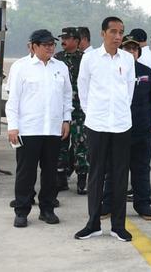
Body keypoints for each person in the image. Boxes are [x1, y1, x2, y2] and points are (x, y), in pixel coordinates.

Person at [74, 17, 135, 242]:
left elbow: (129, 90)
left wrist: (119, 113)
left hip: (121, 125)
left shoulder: (128, 59)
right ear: (103, 33)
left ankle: (119, 226)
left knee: (120, 175)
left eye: (121, 32)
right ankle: (93, 224)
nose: (118, 36)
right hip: (97, 124)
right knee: (96, 174)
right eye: (113, 32)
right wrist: (92, 114)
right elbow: (83, 88)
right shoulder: (90, 58)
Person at [6, 29, 72, 228]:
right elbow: (13, 99)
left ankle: (47, 209)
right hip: (28, 129)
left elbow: (67, 96)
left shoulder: (60, 67)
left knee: (51, 172)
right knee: (26, 173)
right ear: (34, 46)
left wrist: (66, 120)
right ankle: (22, 211)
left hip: (53, 129)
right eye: (46, 45)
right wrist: (13, 127)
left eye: (52, 44)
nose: (50, 48)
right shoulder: (21, 67)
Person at [103, 35, 151, 220]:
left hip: (143, 129)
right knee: (114, 169)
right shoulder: (112, 70)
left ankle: (143, 205)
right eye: (127, 49)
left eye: (134, 49)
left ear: (138, 52)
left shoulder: (147, 72)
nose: (131, 52)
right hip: (118, 129)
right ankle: (108, 204)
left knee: (141, 169)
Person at [54, 27, 88, 194]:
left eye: (67, 38)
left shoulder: (85, 59)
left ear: (76, 40)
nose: (63, 41)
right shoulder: (57, 59)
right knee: (60, 145)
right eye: (62, 38)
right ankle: (61, 179)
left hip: (80, 111)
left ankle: (82, 180)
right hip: (61, 109)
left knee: (81, 145)